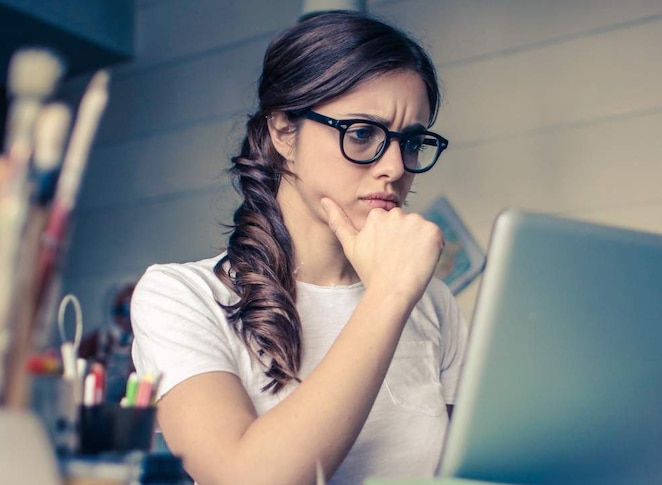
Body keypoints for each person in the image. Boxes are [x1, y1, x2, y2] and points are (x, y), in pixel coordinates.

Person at [130, 10, 468, 485]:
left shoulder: (434, 304)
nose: (394, 166)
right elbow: (245, 477)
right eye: (362, 133)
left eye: (411, 141)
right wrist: (388, 296)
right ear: (283, 131)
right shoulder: (181, 297)